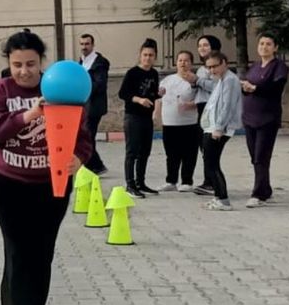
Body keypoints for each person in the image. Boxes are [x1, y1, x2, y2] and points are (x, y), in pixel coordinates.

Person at [0, 30, 92, 305]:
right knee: (18, 250)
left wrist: (79, 158)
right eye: (17, 64)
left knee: (42, 253)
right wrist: (31, 114)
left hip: (51, 186)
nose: (24, 71)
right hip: (8, 185)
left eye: (30, 64)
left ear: (41, 62)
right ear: (9, 63)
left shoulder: (60, 86)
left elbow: (82, 133)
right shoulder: (1, 91)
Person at [241, 33, 289, 208]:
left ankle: (258, 193)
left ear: (275, 48)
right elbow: (248, 87)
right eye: (261, 43)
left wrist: (256, 88)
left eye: (268, 44)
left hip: (267, 119)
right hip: (249, 118)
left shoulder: (279, 67)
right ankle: (265, 189)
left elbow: (276, 88)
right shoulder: (254, 67)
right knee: (255, 157)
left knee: (261, 156)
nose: (264, 47)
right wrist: (246, 88)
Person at [118, 38, 161, 198]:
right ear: (140, 55)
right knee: (132, 151)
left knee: (145, 151)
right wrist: (138, 99)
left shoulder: (154, 73)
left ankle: (140, 182)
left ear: (155, 57)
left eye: (151, 55)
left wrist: (159, 95)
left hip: (146, 117)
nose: (148, 58)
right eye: (145, 55)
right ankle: (130, 184)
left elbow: (152, 93)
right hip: (133, 116)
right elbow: (123, 93)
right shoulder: (133, 73)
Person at [201, 51, 243, 211]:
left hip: (219, 129)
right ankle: (218, 196)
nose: (212, 70)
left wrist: (219, 128)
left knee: (212, 164)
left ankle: (223, 199)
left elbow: (227, 106)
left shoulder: (230, 80)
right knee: (210, 163)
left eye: (215, 66)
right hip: (211, 126)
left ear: (224, 62)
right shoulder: (222, 80)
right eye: (209, 67)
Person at [155, 51, 200, 192]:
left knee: (189, 153)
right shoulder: (168, 80)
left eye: (186, 60)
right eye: (180, 60)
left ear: (191, 63)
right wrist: (156, 114)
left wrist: (191, 105)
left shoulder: (195, 81)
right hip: (170, 123)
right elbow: (159, 98)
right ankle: (171, 181)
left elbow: (203, 99)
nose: (183, 63)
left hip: (189, 122)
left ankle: (187, 181)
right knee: (171, 154)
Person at [184, 34, 222, 196]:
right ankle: (209, 181)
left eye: (205, 45)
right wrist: (192, 82)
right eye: (199, 46)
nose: (202, 48)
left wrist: (197, 80)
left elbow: (217, 87)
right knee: (204, 147)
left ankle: (213, 182)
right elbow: (198, 89)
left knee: (210, 147)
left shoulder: (216, 68)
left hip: (212, 109)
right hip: (201, 109)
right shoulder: (201, 69)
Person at [78, 33, 110, 175]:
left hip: (94, 106)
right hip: (84, 105)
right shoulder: (82, 61)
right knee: (86, 135)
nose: (84, 47)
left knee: (88, 136)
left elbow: (100, 84)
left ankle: (94, 166)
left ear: (92, 45)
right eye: (82, 44)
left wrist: (83, 85)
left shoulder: (100, 62)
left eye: (87, 44)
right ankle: (96, 165)